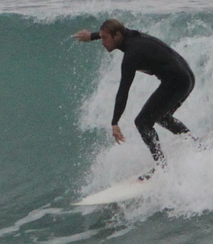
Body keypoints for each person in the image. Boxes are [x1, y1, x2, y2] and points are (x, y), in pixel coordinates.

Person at [73, 18, 195, 167]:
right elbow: (115, 30)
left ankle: (162, 166)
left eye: (104, 38)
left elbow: (123, 90)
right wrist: (92, 36)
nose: (102, 42)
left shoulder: (131, 55)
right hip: (186, 77)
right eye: (101, 37)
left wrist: (115, 122)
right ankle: (195, 145)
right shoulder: (129, 35)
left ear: (117, 36)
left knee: (143, 122)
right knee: (162, 117)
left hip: (177, 82)